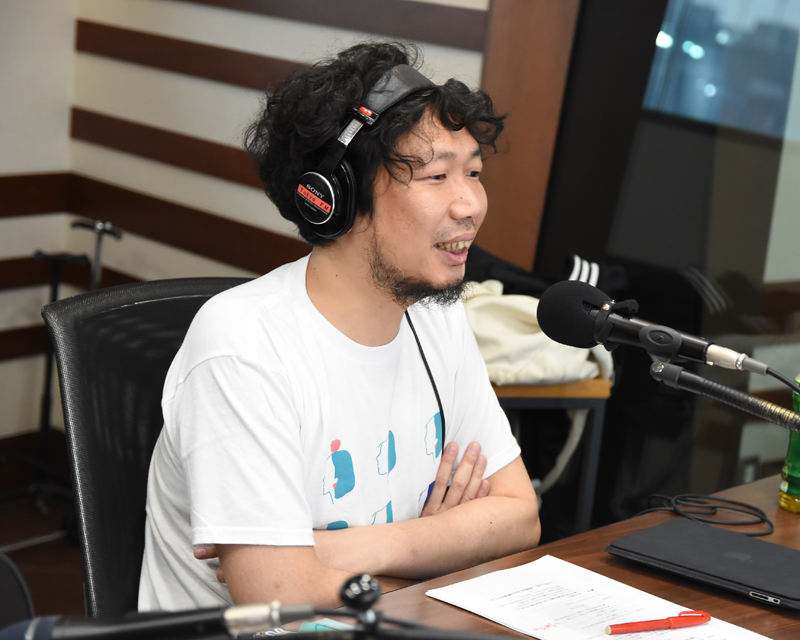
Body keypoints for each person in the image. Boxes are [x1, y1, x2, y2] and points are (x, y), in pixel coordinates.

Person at [138, 41, 540, 612]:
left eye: (472, 172)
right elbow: (279, 597)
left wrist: (339, 551)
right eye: (436, 177)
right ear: (336, 196)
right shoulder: (243, 347)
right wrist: (445, 549)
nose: (470, 204)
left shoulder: (437, 316)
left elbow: (520, 516)